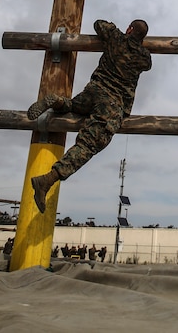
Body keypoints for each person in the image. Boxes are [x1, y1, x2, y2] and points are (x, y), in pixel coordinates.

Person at [27, 18, 152, 214]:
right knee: (90, 144)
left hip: (93, 90)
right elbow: (147, 65)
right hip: (111, 101)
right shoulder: (144, 57)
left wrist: (117, 32)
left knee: (75, 107)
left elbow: (98, 23)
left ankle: (59, 101)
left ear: (129, 29)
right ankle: (48, 179)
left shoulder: (114, 37)